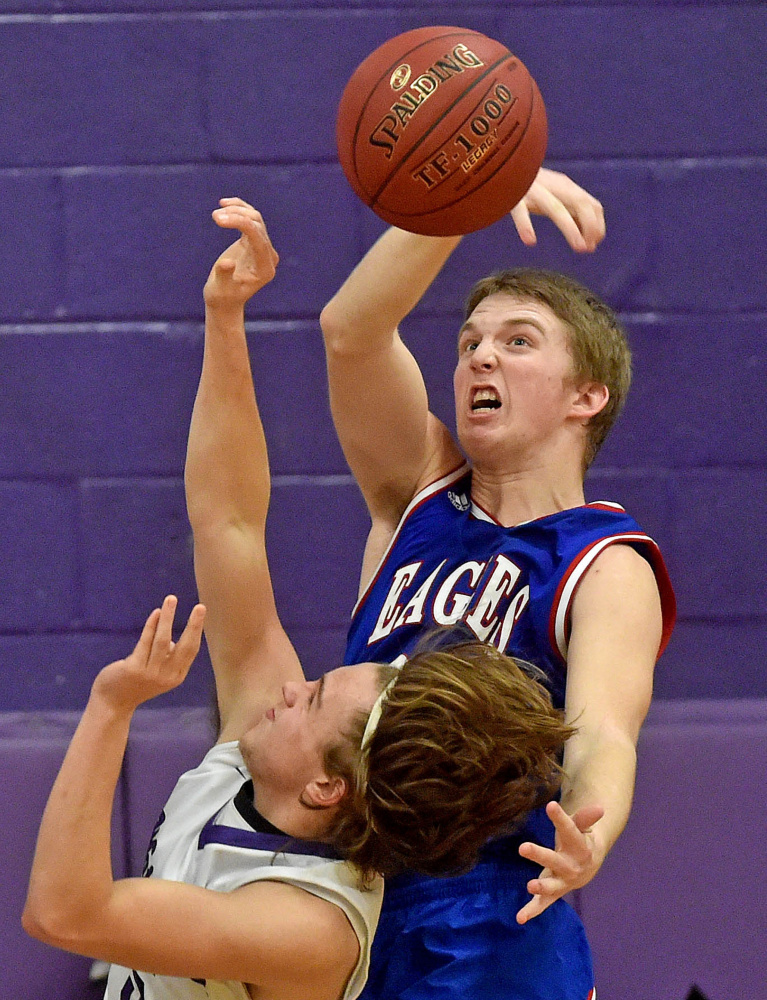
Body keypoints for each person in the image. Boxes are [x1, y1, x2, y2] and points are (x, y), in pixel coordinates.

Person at [23, 203, 578, 1000]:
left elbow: (63, 913)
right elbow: (228, 521)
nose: (288, 688)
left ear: (326, 788)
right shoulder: (268, 751)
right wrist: (224, 320)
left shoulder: (308, 923)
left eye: (311, 697)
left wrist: (113, 707)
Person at [319, 166, 677, 998]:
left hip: (492, 914)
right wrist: (463, 198)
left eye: (517, 341)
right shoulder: (417, 493)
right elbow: (351, 330)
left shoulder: (605, 561)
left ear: (585, 396)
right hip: (348, 893)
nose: (481, 352)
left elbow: (603, 735)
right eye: (470, 341)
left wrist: (590, 831)